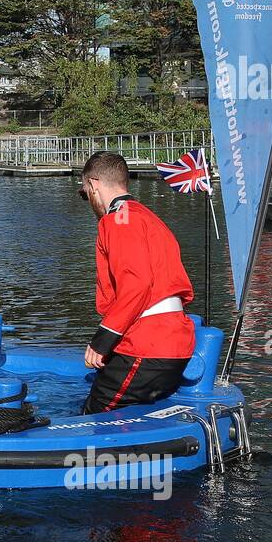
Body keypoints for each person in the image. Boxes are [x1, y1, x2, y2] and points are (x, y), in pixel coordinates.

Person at [79, 151, 196, 414]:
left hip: (148, 344)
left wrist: (102, 341)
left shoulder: (118, 220)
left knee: (94, 415)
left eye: (84, 193)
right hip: (174, 342)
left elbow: (137, 283)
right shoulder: (148, 217)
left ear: (94, 185)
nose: (87, 200)